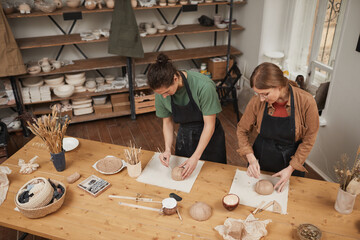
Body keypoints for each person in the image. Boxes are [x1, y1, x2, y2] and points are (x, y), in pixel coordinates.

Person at [237, 62, 319, 192]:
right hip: (261, 157)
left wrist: (291, 168)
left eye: (265, 94)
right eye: (258, 94)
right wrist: (251, 158)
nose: (261, 99)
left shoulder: (307, 102)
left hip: (291, 160)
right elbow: (242, 129)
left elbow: (309, 139)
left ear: (279, 86)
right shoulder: (257, 101)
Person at [147, 53, 227, 179]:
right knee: (187, 179)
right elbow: (167, 122)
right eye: (160, 94)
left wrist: (195, 157)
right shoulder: (161, 92)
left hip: (210, 136)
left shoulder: (204, 86)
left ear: (175, 78)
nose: (163, 96)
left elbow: (209, 125)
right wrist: (167, 149)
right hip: (185, 135)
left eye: (167, 92)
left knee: (214, 177)